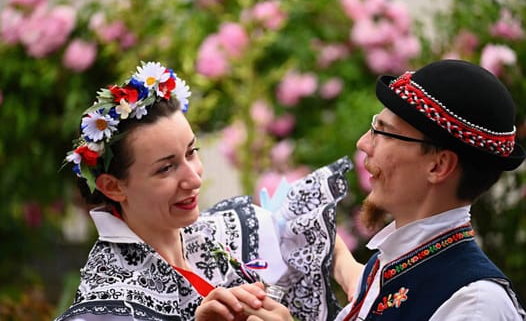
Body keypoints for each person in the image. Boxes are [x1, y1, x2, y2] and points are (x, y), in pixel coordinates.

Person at [56, 61, 363, 321]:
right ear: (113, 186)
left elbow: (303, 233)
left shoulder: (216, 232)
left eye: (192, 152)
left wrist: (354, 277)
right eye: (165, 168)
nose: (194, 179)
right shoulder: (108, 304)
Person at [333, 59, 526, 320]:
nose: (364, 143)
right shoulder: (394, 265)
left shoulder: (475, 304)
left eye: (383, 132)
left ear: (438, 165)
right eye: (374, 126)